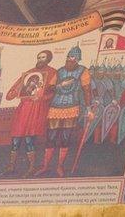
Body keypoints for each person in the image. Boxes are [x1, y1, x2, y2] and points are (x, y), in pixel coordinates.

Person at [38, 46, 92, 177]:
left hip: (72, 107)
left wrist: (89, 109)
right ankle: (45, 166)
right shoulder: (60, 71)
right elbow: (50, 88)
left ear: (77, 59)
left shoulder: (83, 71)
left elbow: (86, 90)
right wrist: (59, 86)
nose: (69, 59)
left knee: (65, 137)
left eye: (72, 57)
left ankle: (60, 166)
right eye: (68, 56)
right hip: (55, 107)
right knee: (51, 137)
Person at [3, 49, 57, 177]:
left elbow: (53, 93)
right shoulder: (28, 73)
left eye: (43, 57)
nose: (40, 60)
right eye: (39, 57)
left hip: (36, 110)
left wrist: (42, 98)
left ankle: (31, 167)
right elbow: (10, 94)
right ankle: (11, 165)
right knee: (15, 140)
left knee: (29, 140)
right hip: (23, 111)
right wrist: (16, 91)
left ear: (48, 59)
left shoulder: (53, 73)